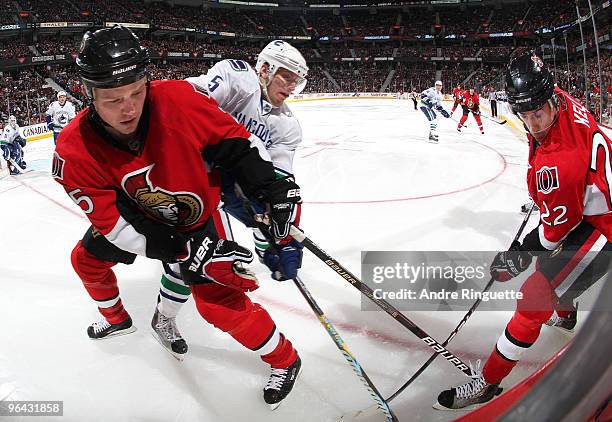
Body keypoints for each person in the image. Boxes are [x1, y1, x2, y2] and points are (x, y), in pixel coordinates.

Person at [53, 25, 302, 409]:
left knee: (218, 304)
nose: (129, 108)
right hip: (138, 218)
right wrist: (180, 250)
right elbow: (116, 224)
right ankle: (118, 318)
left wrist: (268, 184)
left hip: (197, 217)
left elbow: (237, 143)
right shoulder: (73, 151)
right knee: (85, 259)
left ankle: (286, 359)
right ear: (88, 93)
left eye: (137, 92)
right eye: (112, 99)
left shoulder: (178, 99)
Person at [436, 51, 612, 410]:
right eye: (526, 115)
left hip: (603, 225)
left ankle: (488, 382)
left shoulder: (559, 163)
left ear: (550, 98)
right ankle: (565, 314)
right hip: (592, 203)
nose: (534, 123)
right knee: (550, 270)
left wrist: (516, 257)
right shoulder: (554, 97)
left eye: (538, 113)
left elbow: (554, 233)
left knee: (532, 298)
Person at [146, 40, 308, 359]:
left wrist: (280, 238)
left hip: (229, 181)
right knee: (189, 260)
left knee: (272, 211)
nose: (291, 87)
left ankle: (265, 247)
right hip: (187, 176)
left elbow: (278, 184)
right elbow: (185, 104)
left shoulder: (287, 126)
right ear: (265, 68)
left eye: (296, 81)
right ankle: (163, 318)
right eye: (286, 77)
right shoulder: (237, 78)